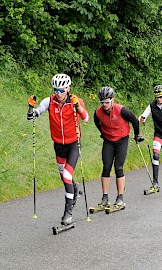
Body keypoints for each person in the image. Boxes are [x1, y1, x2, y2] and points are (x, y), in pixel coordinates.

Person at [27, 74, 89, 225]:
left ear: (68, 88)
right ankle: (74, 189)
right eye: (56, 90)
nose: (58, 93)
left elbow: (86, 119)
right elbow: (33, 116)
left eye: (61, 90)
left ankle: (68, 213)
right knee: (63, 177)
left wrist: (78, 107)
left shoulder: (75, 101)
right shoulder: (49, 101)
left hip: (73, 144)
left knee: (67, 176)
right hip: (58, 145)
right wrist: (30, 108)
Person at [93, 86, 144, 210]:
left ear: (112, 100)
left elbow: (135, 121)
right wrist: (103, 133)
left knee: (118, 167)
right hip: (108, 140)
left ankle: (120, 197)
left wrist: (137, 135)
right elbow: (97, 123)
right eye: (102, 102)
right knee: (106, 167)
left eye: (107, 102)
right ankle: (105, 198)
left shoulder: (122, 110)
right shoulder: (98, 112)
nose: (104, 104)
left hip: (122, 139)